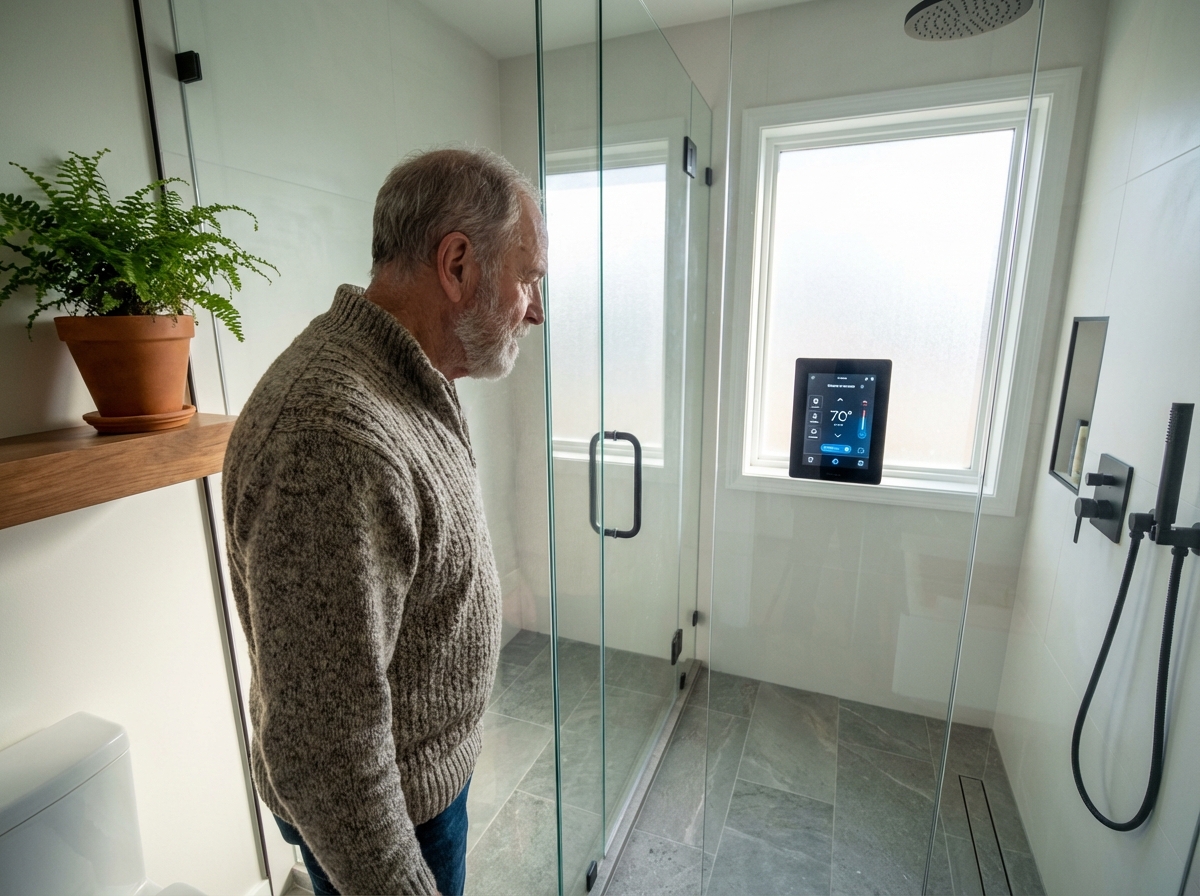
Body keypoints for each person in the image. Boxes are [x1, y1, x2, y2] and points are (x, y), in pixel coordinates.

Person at [222, 147, 546, 896]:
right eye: (526, 277)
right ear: (458, 265)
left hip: (419, 788)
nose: (535, 308)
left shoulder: (410, 378)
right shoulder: (331, 436)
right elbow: (324, 751)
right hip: (388, 818)